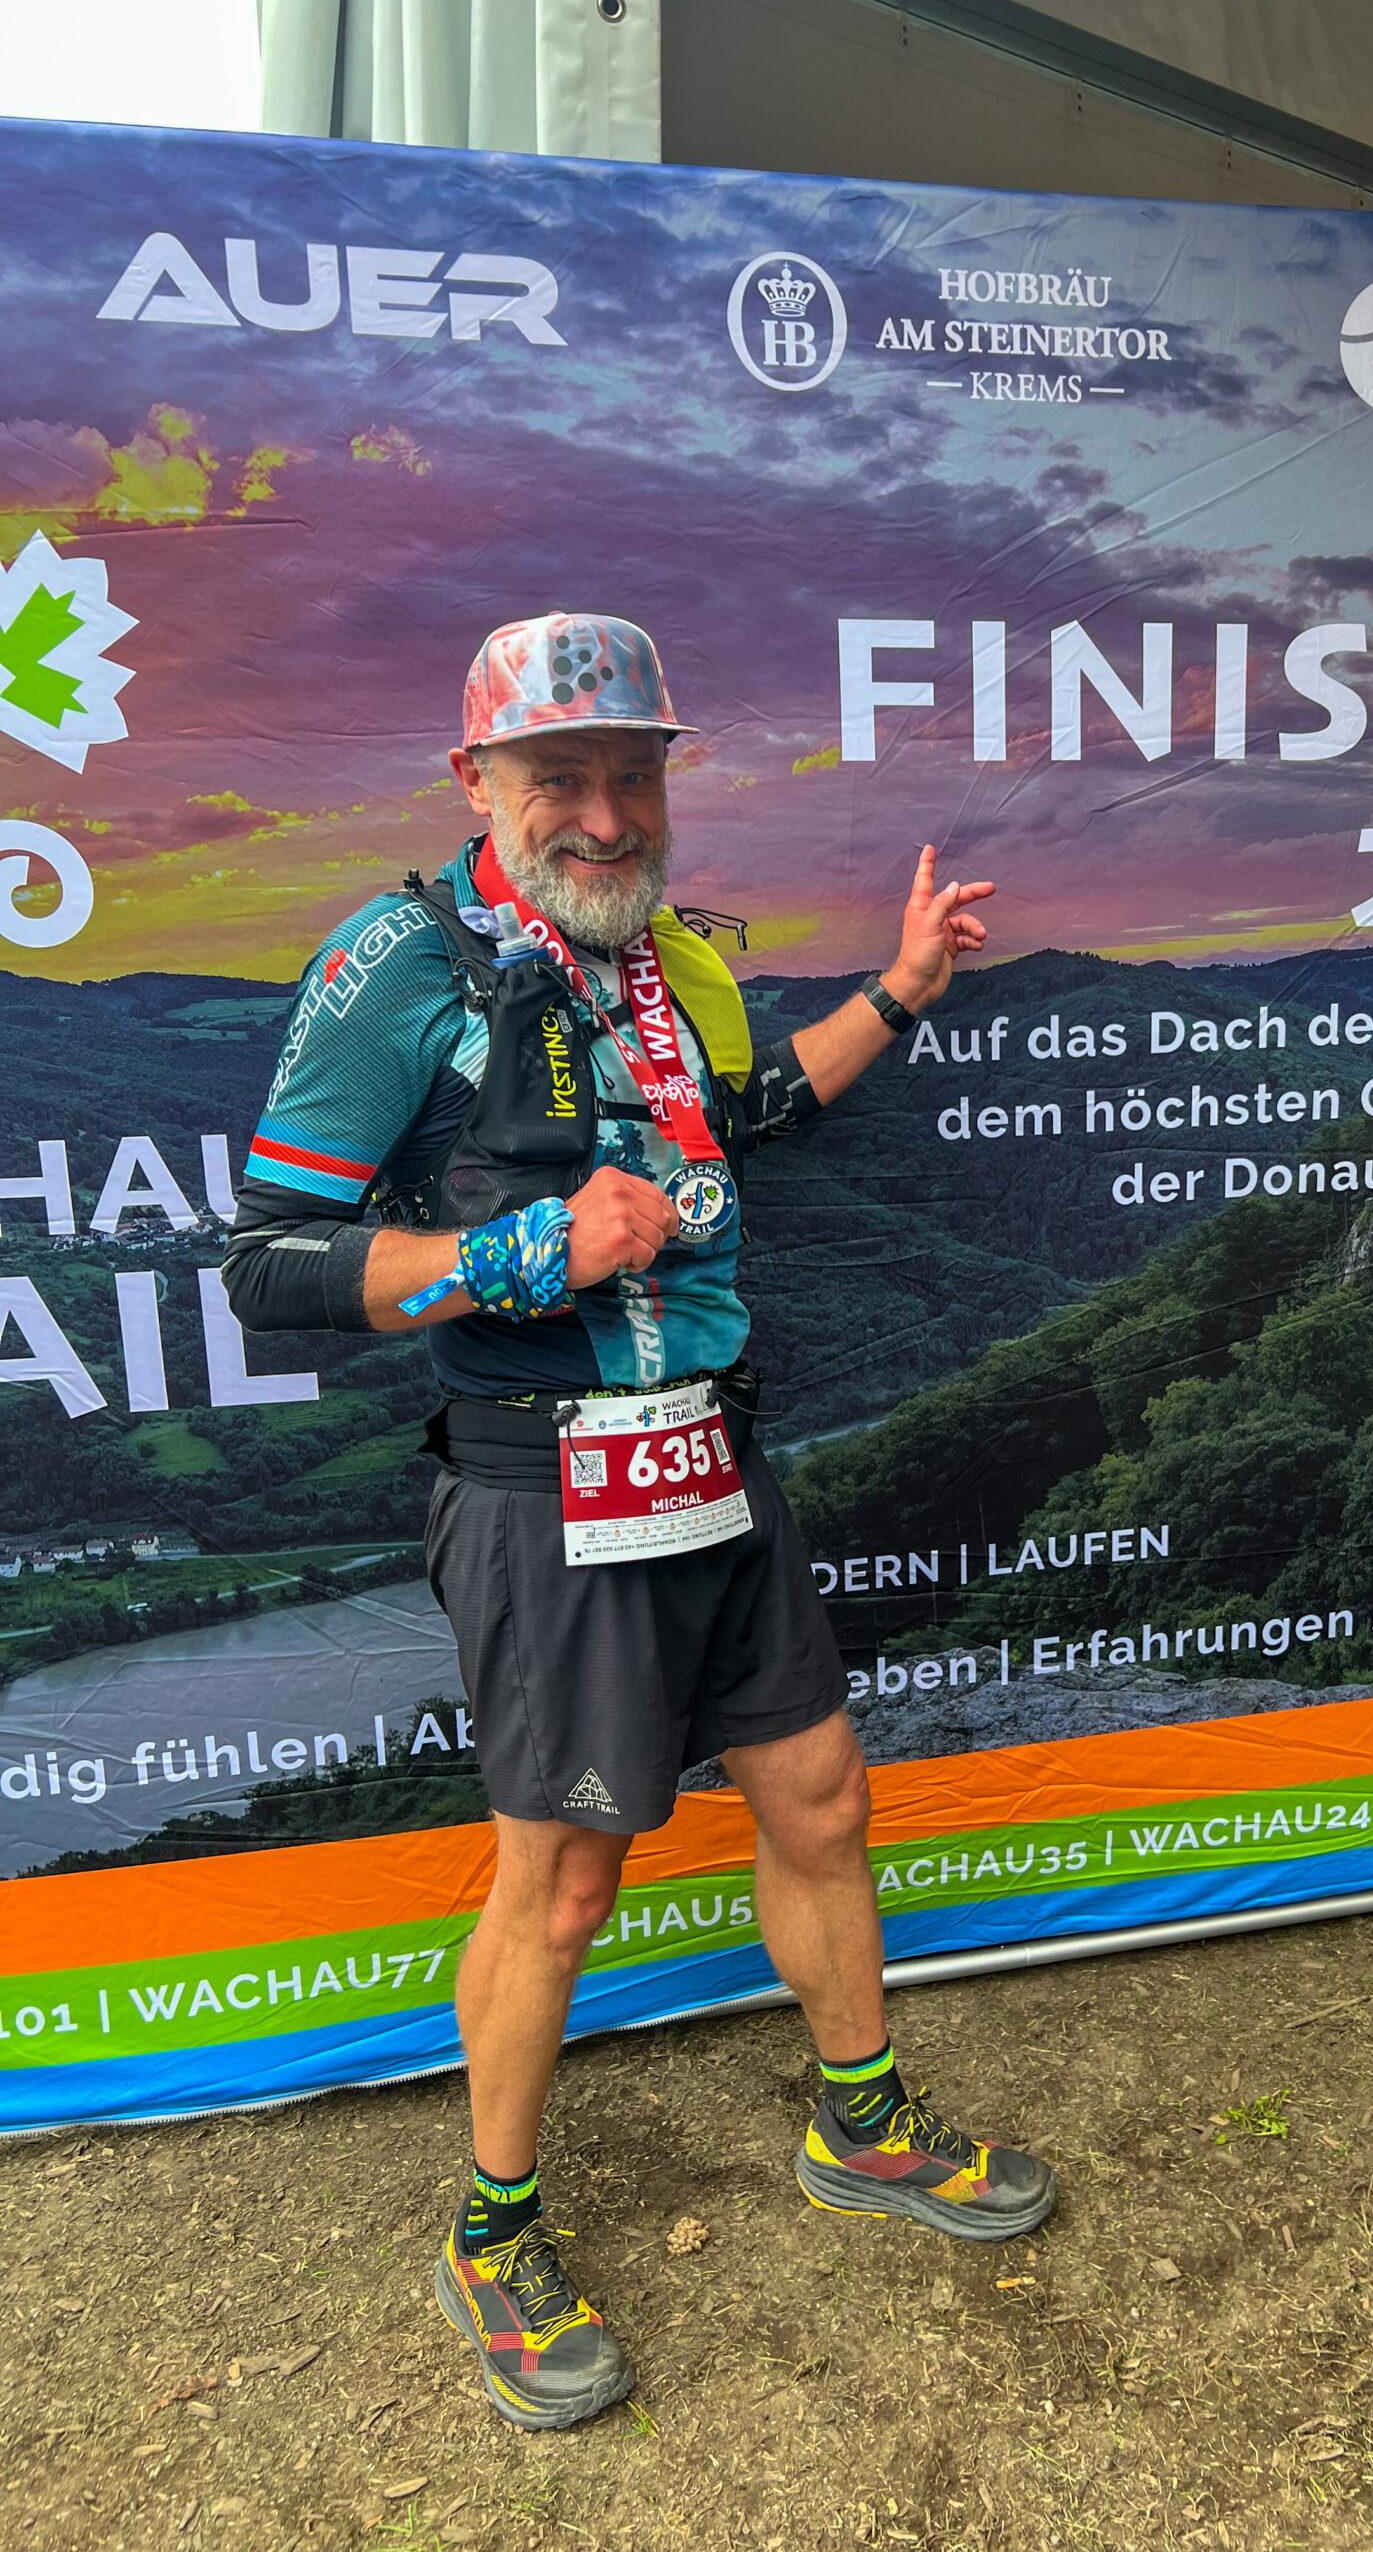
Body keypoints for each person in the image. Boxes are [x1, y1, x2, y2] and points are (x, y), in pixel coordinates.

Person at [222, 613, 1057, 2432]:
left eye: (632, 776)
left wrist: (903, 988)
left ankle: (860, 2127)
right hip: (543, 1477)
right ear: (478, 782)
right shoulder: (399, 963)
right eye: (561, 780)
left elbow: (740, 1121)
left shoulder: (668, 956)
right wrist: (523, 1249)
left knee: (820, 1797)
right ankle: (492, 2234)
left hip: (713, 1452)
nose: (604, 816)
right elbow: (268, 1266)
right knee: (567, 1879)